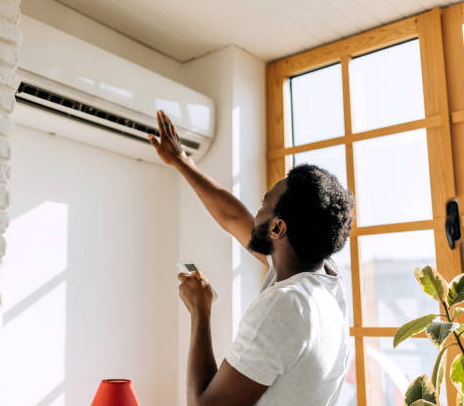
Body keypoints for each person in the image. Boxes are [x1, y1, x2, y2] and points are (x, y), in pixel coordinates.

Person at [149, 110, 355, 406]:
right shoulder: (325, 279)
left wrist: (200, 310)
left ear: (277, 228)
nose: (255, 213)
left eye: (263, 205)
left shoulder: (286, 305)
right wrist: (183, 162)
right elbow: (233, 217)